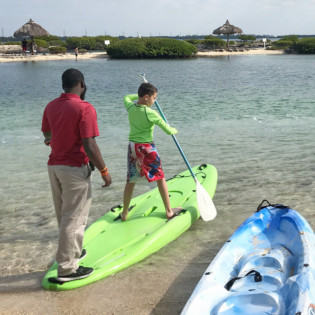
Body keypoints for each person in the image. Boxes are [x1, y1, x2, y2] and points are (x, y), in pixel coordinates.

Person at [41, 68, 112, 283]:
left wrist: (56, 141)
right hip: (74, 168)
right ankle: (67, 270)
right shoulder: (84, 108)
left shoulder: (51, 105)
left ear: (64, 84)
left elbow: (47, 134)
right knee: (74, 218)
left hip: (54, 166)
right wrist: (104, 171)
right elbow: (89, 144)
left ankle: (73, 252)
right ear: (81, 83)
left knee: (64, 214)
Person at [121, 82, 182, 221]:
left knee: (131, 179)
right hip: (146, 148)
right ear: (147, 97)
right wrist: (174, 130)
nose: (155, 101)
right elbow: (168, 130)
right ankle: (168, 211)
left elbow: (126, 97)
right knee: (160, 177)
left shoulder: (130, 107)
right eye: (154, 98)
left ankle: (124, 213)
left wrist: (139, 96)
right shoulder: (150, 113)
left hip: (132, 148)